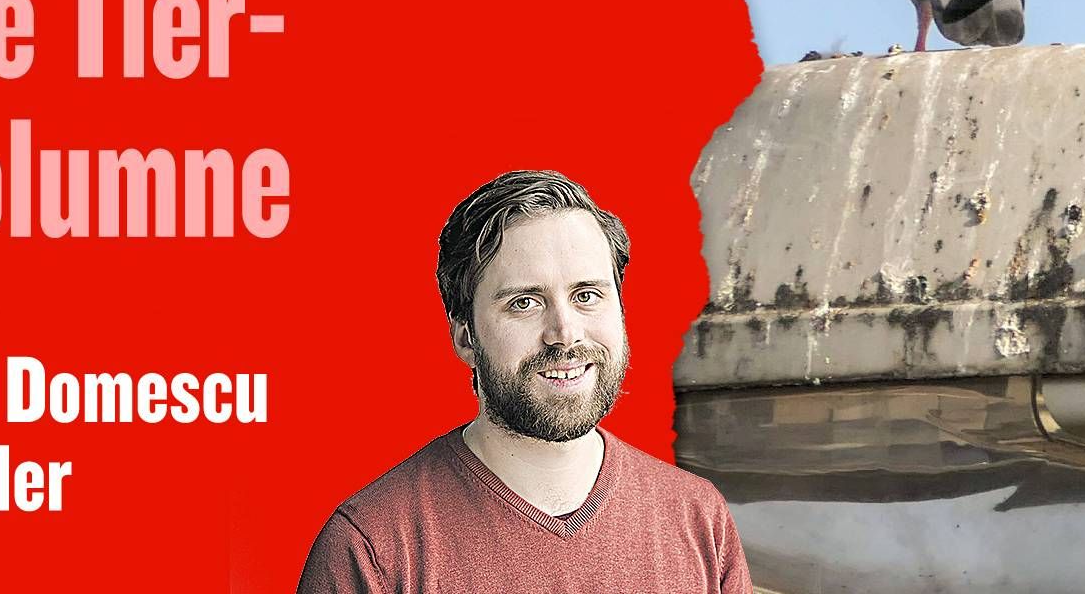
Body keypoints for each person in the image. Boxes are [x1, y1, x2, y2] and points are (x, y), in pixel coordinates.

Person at [299, 171, 749, 592]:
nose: (565, 332)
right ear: (465, 337)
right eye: (525, 302)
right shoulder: (372, 547)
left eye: (587, 295)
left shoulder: (698, 518)